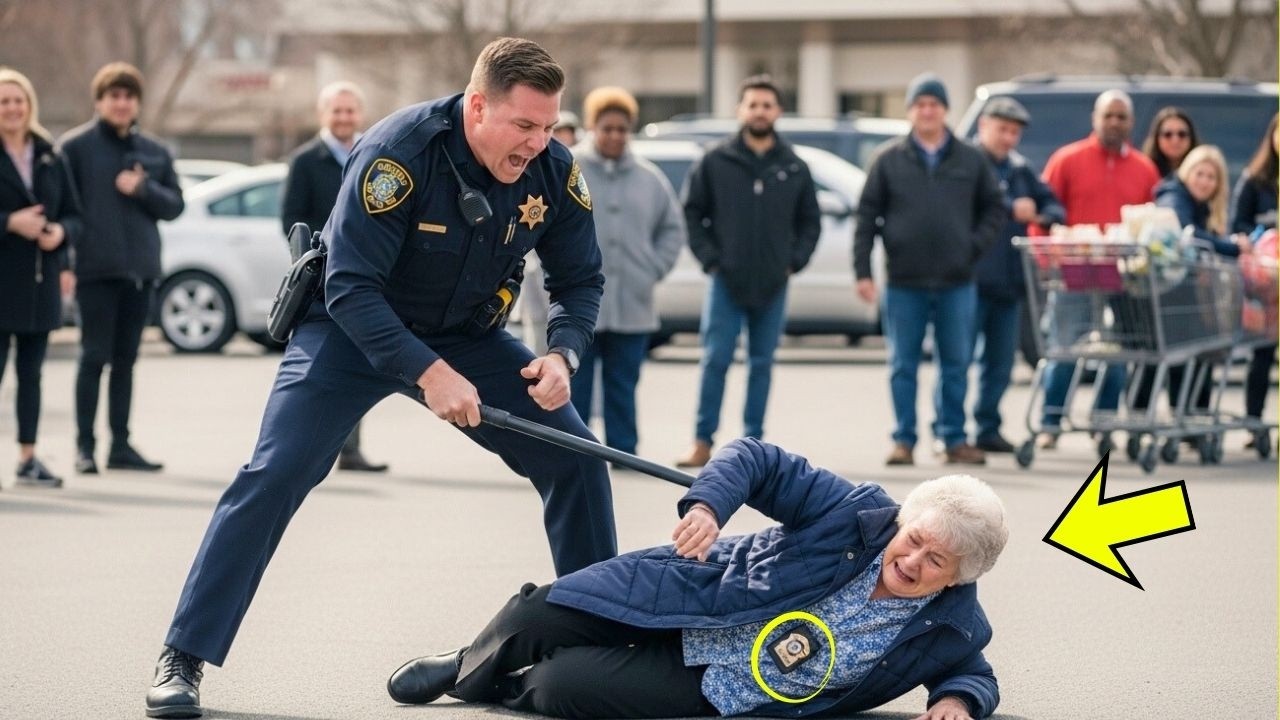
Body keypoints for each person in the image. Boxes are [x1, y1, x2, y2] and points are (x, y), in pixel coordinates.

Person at [145, 38, 618, 718]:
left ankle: (599, 641)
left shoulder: (553, 170)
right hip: (349, 333)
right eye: (524, 126)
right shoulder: (399, 154)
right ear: (478, 107)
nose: (538, 143)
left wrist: (561, 354)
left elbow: (580, 279)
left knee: (577, 461)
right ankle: (183, 655)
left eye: (548, 127)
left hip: (470, 335)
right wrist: (429, 374)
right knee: (274, 474)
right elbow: (350, 287)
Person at [386, 438, 1009, 720]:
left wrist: (955, 701)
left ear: (959, 578)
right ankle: (468, 666)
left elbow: (970, 669)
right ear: (903, 519)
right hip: (694, 596)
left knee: (559, 687)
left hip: (720, 685)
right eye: (915, 539)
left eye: (937, 564)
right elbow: (757, 460)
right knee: (536, 615)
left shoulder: (952, 623)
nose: (912, 562)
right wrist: (708, 507)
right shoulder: (853, 511)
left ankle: (510, 686)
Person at [854, 73, 1005, 467]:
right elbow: (866, 217)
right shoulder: (888, 160)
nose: (927, 111)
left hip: (957, 280)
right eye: (920, 104)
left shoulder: (971, 159)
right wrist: (863, 271)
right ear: (910, 111)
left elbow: (994, 206)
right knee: (902, 365)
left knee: (955, 363)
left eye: (934, 104)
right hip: (905, 281)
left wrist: (972, 247)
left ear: (945, 111)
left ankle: (953, 438)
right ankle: (904, 440)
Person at [675, 75, 821, 468]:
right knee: (716, 358)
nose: (760, 111)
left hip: (774, 282)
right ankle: (702, 441)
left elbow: (811, 221)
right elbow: (691, 212)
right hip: (726, 280)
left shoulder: (793, 166)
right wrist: (711, 260)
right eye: (752, 104)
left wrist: (793, 261)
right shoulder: (715, 160)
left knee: (761, 363)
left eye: (767, 105)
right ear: (740, 110)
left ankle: (751, 446)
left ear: (779, 112)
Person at [59, 62, 184, 474]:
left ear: (137, 104)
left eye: (129, 96)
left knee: (126, 361)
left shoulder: (155, 151)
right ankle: (84, 447)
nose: (121, 103)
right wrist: (64, 264)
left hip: (141, 272)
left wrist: (144, 188)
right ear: (100, 101)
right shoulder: (74, 149)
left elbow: (175, 206)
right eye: (114, 96)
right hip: (95, 270)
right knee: (93, 357)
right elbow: (63, 210)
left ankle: (120, 446)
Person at [1036, 89, 1161, 449]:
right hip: (1075, 272)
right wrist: (1047, 256)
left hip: (1124, 275)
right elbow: (1046, 211)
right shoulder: (1067, 160)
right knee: (1065, 348)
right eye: (1108, 115)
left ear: (1131, 123)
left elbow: (1152, 222)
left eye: (1121, 117)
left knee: (1118, 351)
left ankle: (1103, 422)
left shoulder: (1143, 169)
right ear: (1095, 118)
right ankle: (1050, 421)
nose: (1114, 122)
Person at [569, 87, 685, 456]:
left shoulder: (649, 179)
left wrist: (653, 268)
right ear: (592, 127)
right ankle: (576, 451)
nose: (615, 135)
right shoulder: (569, 169)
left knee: (624, 382)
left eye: (622, 129)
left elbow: (672, 228)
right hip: (577, 306)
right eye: (607, 128)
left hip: (633, 302)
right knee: (576, 383)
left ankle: (623, 449)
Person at [280, 80, 388, 472]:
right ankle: (307, 449)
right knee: (316, 369)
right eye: (336, 111)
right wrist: (312, 263)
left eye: (350, 110)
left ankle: (350, 449)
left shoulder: (376, 155)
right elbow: (291, 220)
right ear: (323, 115)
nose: (344, 118)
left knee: (360, 363)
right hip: (320, 283)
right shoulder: (305, 161)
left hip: (367, 277)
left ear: (359, 114)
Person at [0, 68, 82, 488]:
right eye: (4, 101)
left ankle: (27, 459)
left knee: (31, 376)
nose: (12, 108)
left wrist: (61, 234)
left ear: (29, 105)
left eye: (18, 100)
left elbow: (74, 213)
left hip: (39, 284)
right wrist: (9, 222)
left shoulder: (50, 153)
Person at [969, 98, 1065, 454]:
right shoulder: (967, 163)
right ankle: (950, 431)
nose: (1008, 138)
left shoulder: (1021, 170)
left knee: (1001, 362)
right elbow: (963, 206)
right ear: (984, 126)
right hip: (972, 278)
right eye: (1002, 129)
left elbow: (1056, 207)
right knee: (959, 360)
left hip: (1009, 282)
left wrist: (1039, 213)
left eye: (1014, 132)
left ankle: (987, 426)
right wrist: (1011, 208)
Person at [1231, 113, 1279, 439]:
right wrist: (1265, 235)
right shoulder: (1255, 181)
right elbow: (1238, 224)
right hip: (1266, 282)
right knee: (1262, 352)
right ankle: (1253, 421)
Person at [1141, 107, 1200, 179]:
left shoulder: (1203, 172)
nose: (1175, 140)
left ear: (1191, 137)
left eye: (1182, 134)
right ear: (1157, 138)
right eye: (1167, 134)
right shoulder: (1144, 170)